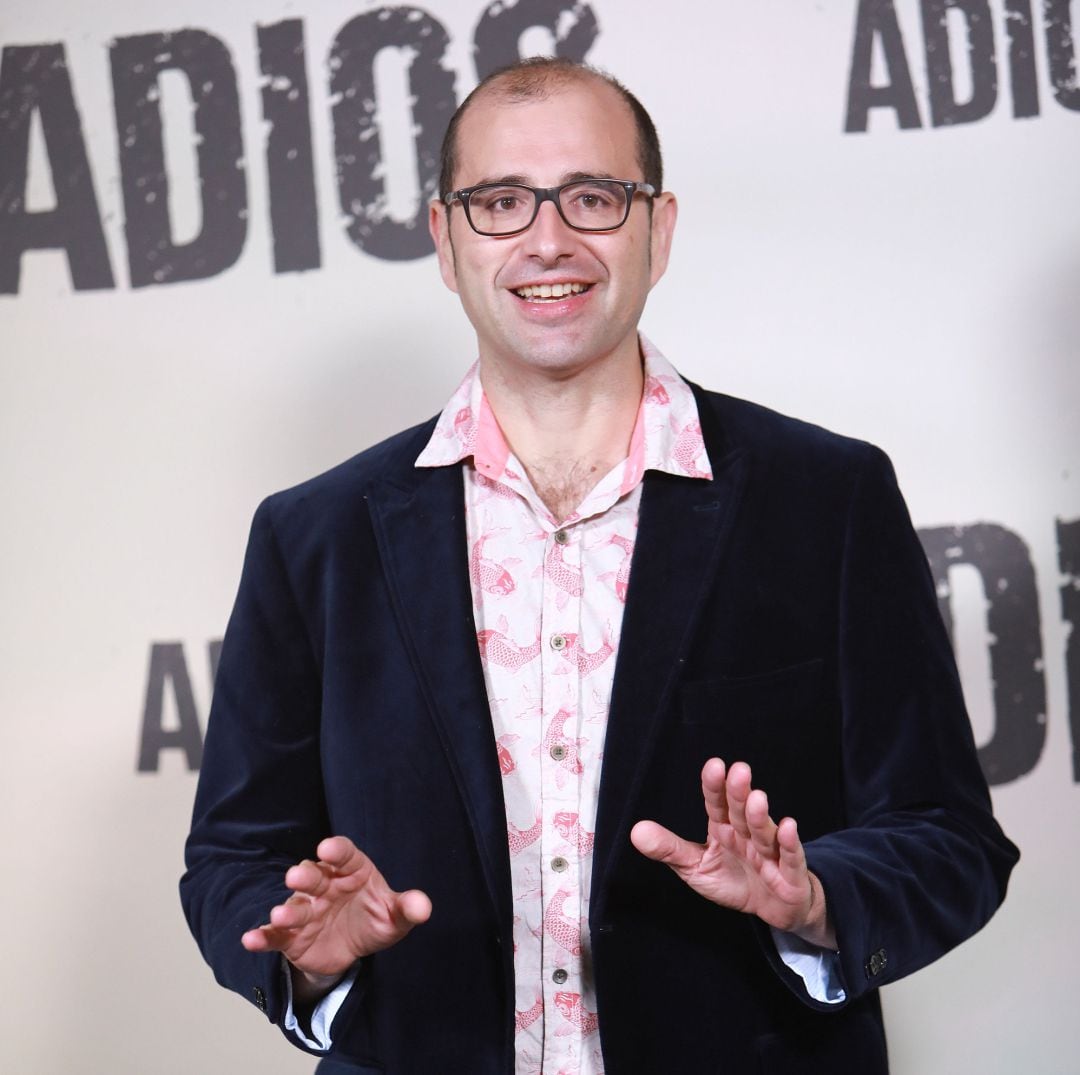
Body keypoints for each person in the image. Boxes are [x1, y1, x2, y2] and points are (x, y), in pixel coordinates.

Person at [181, 58, 1018, 1074]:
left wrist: (817, 897)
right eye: (500, 201)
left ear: (657, 230)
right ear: (447, 242)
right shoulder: (316, 536)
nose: (547, 239)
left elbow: (946, 835)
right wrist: (309, 960)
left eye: (593, 197)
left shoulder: (825, 498)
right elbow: (233, 855)